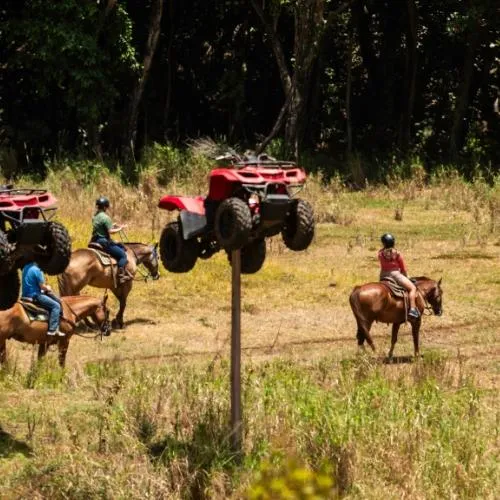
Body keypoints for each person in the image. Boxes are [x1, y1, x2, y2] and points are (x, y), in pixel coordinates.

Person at [91, 196, 132, 284]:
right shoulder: (106, 218)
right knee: (123, 255)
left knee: (118, 245)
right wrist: (121, 228)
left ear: (98, 206)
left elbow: (101, 226)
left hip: (94, 240)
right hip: (103, 241)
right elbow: (110, 232)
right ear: (105, 207)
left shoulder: (95, 216)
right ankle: (120, 276)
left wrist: (112, 224)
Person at [378, 233, 420, 319]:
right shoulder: (397, 254)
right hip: (395, 275)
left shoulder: (380, 253)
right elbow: (403, 268)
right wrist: (407, 277)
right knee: (412, 288)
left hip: (383, 275)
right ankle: (412, 309)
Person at [22, 261, 64, 336]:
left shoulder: (26, 267)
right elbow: (42, 286)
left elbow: (31, 283)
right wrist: (48, 288)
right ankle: (52, 329)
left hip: (25, 294)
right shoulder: (37, 270)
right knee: (56, 306)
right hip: (35, 296)